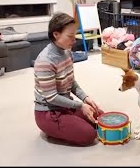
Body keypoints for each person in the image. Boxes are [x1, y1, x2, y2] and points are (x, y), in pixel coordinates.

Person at [34, 12, 104, 146]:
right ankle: (52, 128)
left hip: (65, 105)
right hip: (48, 112)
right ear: (56, 34)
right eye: (70, 36)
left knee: (100, 115)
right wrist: (80, 105)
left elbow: (71, 81)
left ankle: (67, 125)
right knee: (89, 135)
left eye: (75, 35)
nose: (74, 40)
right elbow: (51, 97)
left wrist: (85, 98)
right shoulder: (45, 61)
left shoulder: (67, 52)